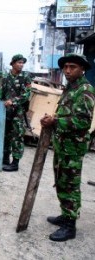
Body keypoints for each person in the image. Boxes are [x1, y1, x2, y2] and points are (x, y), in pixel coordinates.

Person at [40, 53, 95, 242]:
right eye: (65, 67)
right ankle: (65, 214)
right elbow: (65, 115)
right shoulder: (70, 89)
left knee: (70, 185)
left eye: (72, 67)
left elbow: (83, 122)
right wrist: (54, 120)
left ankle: (70, 225)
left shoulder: (85, 90)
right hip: (62, 145)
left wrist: (55, 121)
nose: (68, 70)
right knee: (61, 181)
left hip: (73, 148)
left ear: (82, 69)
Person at [0, 54, 32, 171]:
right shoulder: (6, 77)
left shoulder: (25, 77)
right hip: (6, 112)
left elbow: (26, 94)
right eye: (19, 62)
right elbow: (0, 91)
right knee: (6, 135)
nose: (21, 65)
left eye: (22, 63)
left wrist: (13, 101)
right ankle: (5, 159)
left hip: (18, 112)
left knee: (17, 136)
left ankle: (15, 163)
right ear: (12, 63)